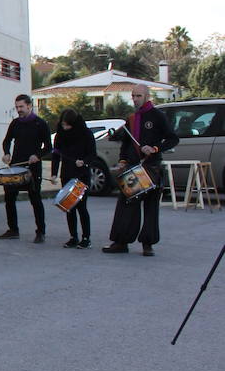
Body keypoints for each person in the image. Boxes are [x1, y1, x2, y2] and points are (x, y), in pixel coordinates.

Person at [104, 84, 180, 256]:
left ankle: (148, 244)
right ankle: (121, 241)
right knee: (126, 205)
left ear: (147, 96)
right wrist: (123, 160)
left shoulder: (158, 116)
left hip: (151, 167)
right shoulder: (132, 118)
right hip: (133, 168)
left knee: (151, 207)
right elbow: (126, 142)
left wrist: (155, 148)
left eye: (138, 96)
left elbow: (172, 139)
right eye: (133, 96)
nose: (135, 99)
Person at [0, 93, 52, 243]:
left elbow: (48, 147)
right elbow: (7, 141)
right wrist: (7, 153)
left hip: (33, 167)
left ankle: (41, 231)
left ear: (29, 106)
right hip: (15, 166)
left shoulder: (40, 123)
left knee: (35, 199)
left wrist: (38, 155)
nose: (19, 110)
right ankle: (13, 229)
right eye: (16, 107)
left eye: (21, 107)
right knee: (9, 197)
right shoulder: (15, 123)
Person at [50, 109, 96, 249]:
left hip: (82, 174)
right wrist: (54, 173)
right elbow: (56, 154)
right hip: (67, 173)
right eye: (63, 125)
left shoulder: (86, 133)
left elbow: (92, 154)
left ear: (74, 123)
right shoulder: (60, 135)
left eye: (68, 125)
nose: (65, 128)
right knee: (68, 206)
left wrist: (84, 162)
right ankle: (73, 237)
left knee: (82, 207)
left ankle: (86, 238)